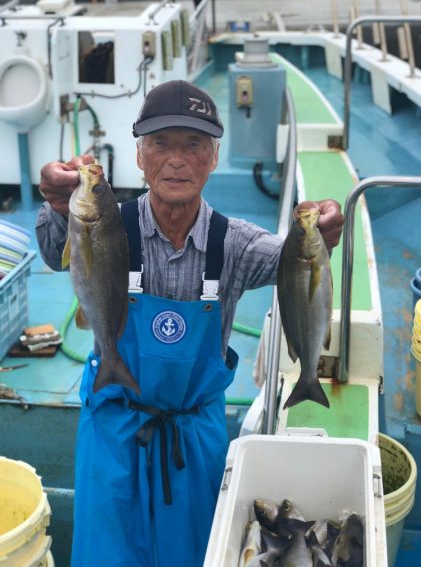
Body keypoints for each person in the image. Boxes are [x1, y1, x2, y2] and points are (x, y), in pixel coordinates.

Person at [36, 79, 344, 567]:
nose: (176, 160)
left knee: (195, 553)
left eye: (194, 145)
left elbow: (299, 260)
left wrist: (324, 232)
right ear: (139, 156)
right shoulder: (104, 222)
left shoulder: (237, 245)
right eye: (160, 144)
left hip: (193, 437)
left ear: (214, 158)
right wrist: (57, 205)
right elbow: (56, 254)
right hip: (113, 429)